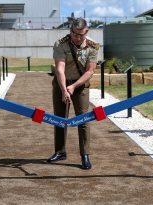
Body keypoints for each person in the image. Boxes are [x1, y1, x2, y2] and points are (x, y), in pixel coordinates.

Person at [47, 18, 99, 169]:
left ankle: (85, 155)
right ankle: (60, 151)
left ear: (86, 32)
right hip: (61, 84)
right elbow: (60, 69)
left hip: (80, 85)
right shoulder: (60, 43)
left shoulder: (93, 46)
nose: (77, 38)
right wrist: (64, 89)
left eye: (81, 35)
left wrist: (74, 86)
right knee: (59, 118)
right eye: (74, 34)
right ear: (70, 31)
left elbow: (90, 71)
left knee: (83, 119)